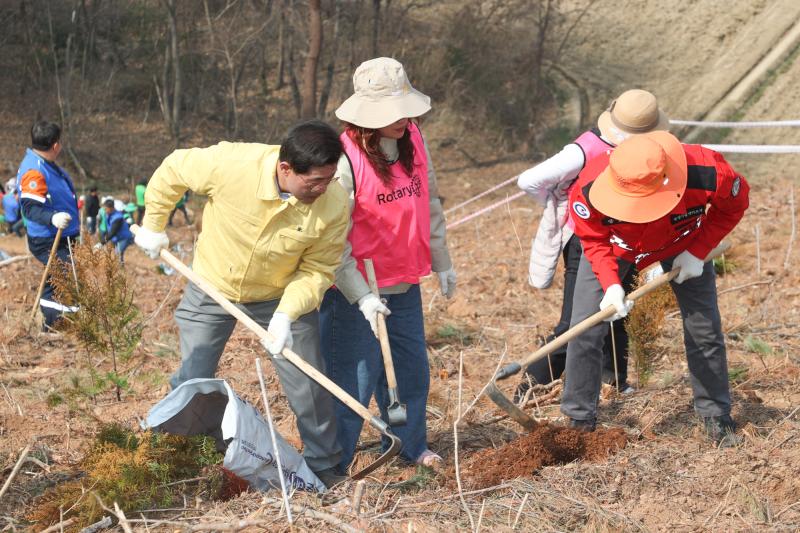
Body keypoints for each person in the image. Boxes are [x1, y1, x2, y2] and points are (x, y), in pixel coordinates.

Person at [133, 120, 350, 488]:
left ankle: (325, 464)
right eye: (314, 181)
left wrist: (287, 313)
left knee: (308, 380)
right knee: (192, 377)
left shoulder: (333, 202)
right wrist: (154, 224)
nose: (322, 188)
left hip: (279, 295)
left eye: (328, 179)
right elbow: (174, 169)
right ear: (285, 168)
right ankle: (172, 459)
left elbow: (319, 267)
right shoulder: (233, 164)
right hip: (212, 286)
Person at [562, 130, 749, 447]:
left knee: (703, 327)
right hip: (618, 250)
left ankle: (716, 415)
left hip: (683, 244)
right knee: (584, 326)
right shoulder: (587, 188)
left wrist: (698, 251)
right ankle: (579, 420)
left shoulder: (706, 171)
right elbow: (593, 239)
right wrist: (610, 284)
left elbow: (733, 205)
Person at [320, 57, 456, 471]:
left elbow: (428, 199)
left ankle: (409, 447)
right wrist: (360, 297)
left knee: (412, 371)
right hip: (354, 289)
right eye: (392, 113)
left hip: (403, 280)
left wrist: (442, 259)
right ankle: (333, 464)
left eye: (406, 109)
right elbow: (331, 240)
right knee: (354, 380)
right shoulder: (344, 159)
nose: (404, 118)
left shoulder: (414, 137)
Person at [515, 89, 669, 396]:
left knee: (619, 308)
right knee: (577, 320)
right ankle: (532, 385)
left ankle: (613, 380)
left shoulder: (644, 152)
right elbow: (528, 180)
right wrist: (557, 202)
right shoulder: (585, 149)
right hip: (585, 238)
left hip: (625, 238)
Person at [16, 121, 80, 327]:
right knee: (61, 278)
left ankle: (68, 321)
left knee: (65, 276)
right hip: (47, 237)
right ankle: (54, 325)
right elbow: (30, 208)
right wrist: (52, 218)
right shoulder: (33, 170)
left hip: (62, 235)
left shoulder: (45, 163)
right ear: (55, 146)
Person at [98, 199, 133, 264]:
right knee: (117, 254)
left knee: (118, 254)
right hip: (117, 238)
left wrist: (102, 242)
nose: (105, 210)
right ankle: (119, 268)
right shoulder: (109, 214)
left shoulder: (118, 217)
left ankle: (120, 270)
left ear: (111, 208)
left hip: (123, 238)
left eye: (106, 209)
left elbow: (112, 232)